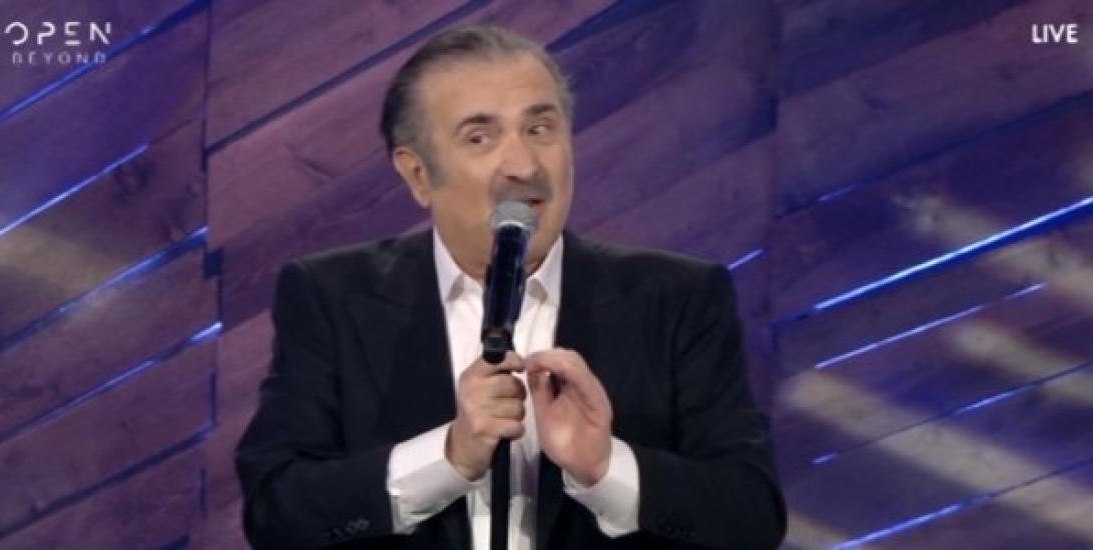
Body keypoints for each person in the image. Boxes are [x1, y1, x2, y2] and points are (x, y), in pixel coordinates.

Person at [236, 24, 785, 550]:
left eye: (540, 129)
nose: (523, 165)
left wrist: (607, 468)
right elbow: (277, 513)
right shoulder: (331, 296)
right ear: (418, 174)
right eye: (480, 137)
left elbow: (751, 515)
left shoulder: (678, 297)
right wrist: (447, 458)